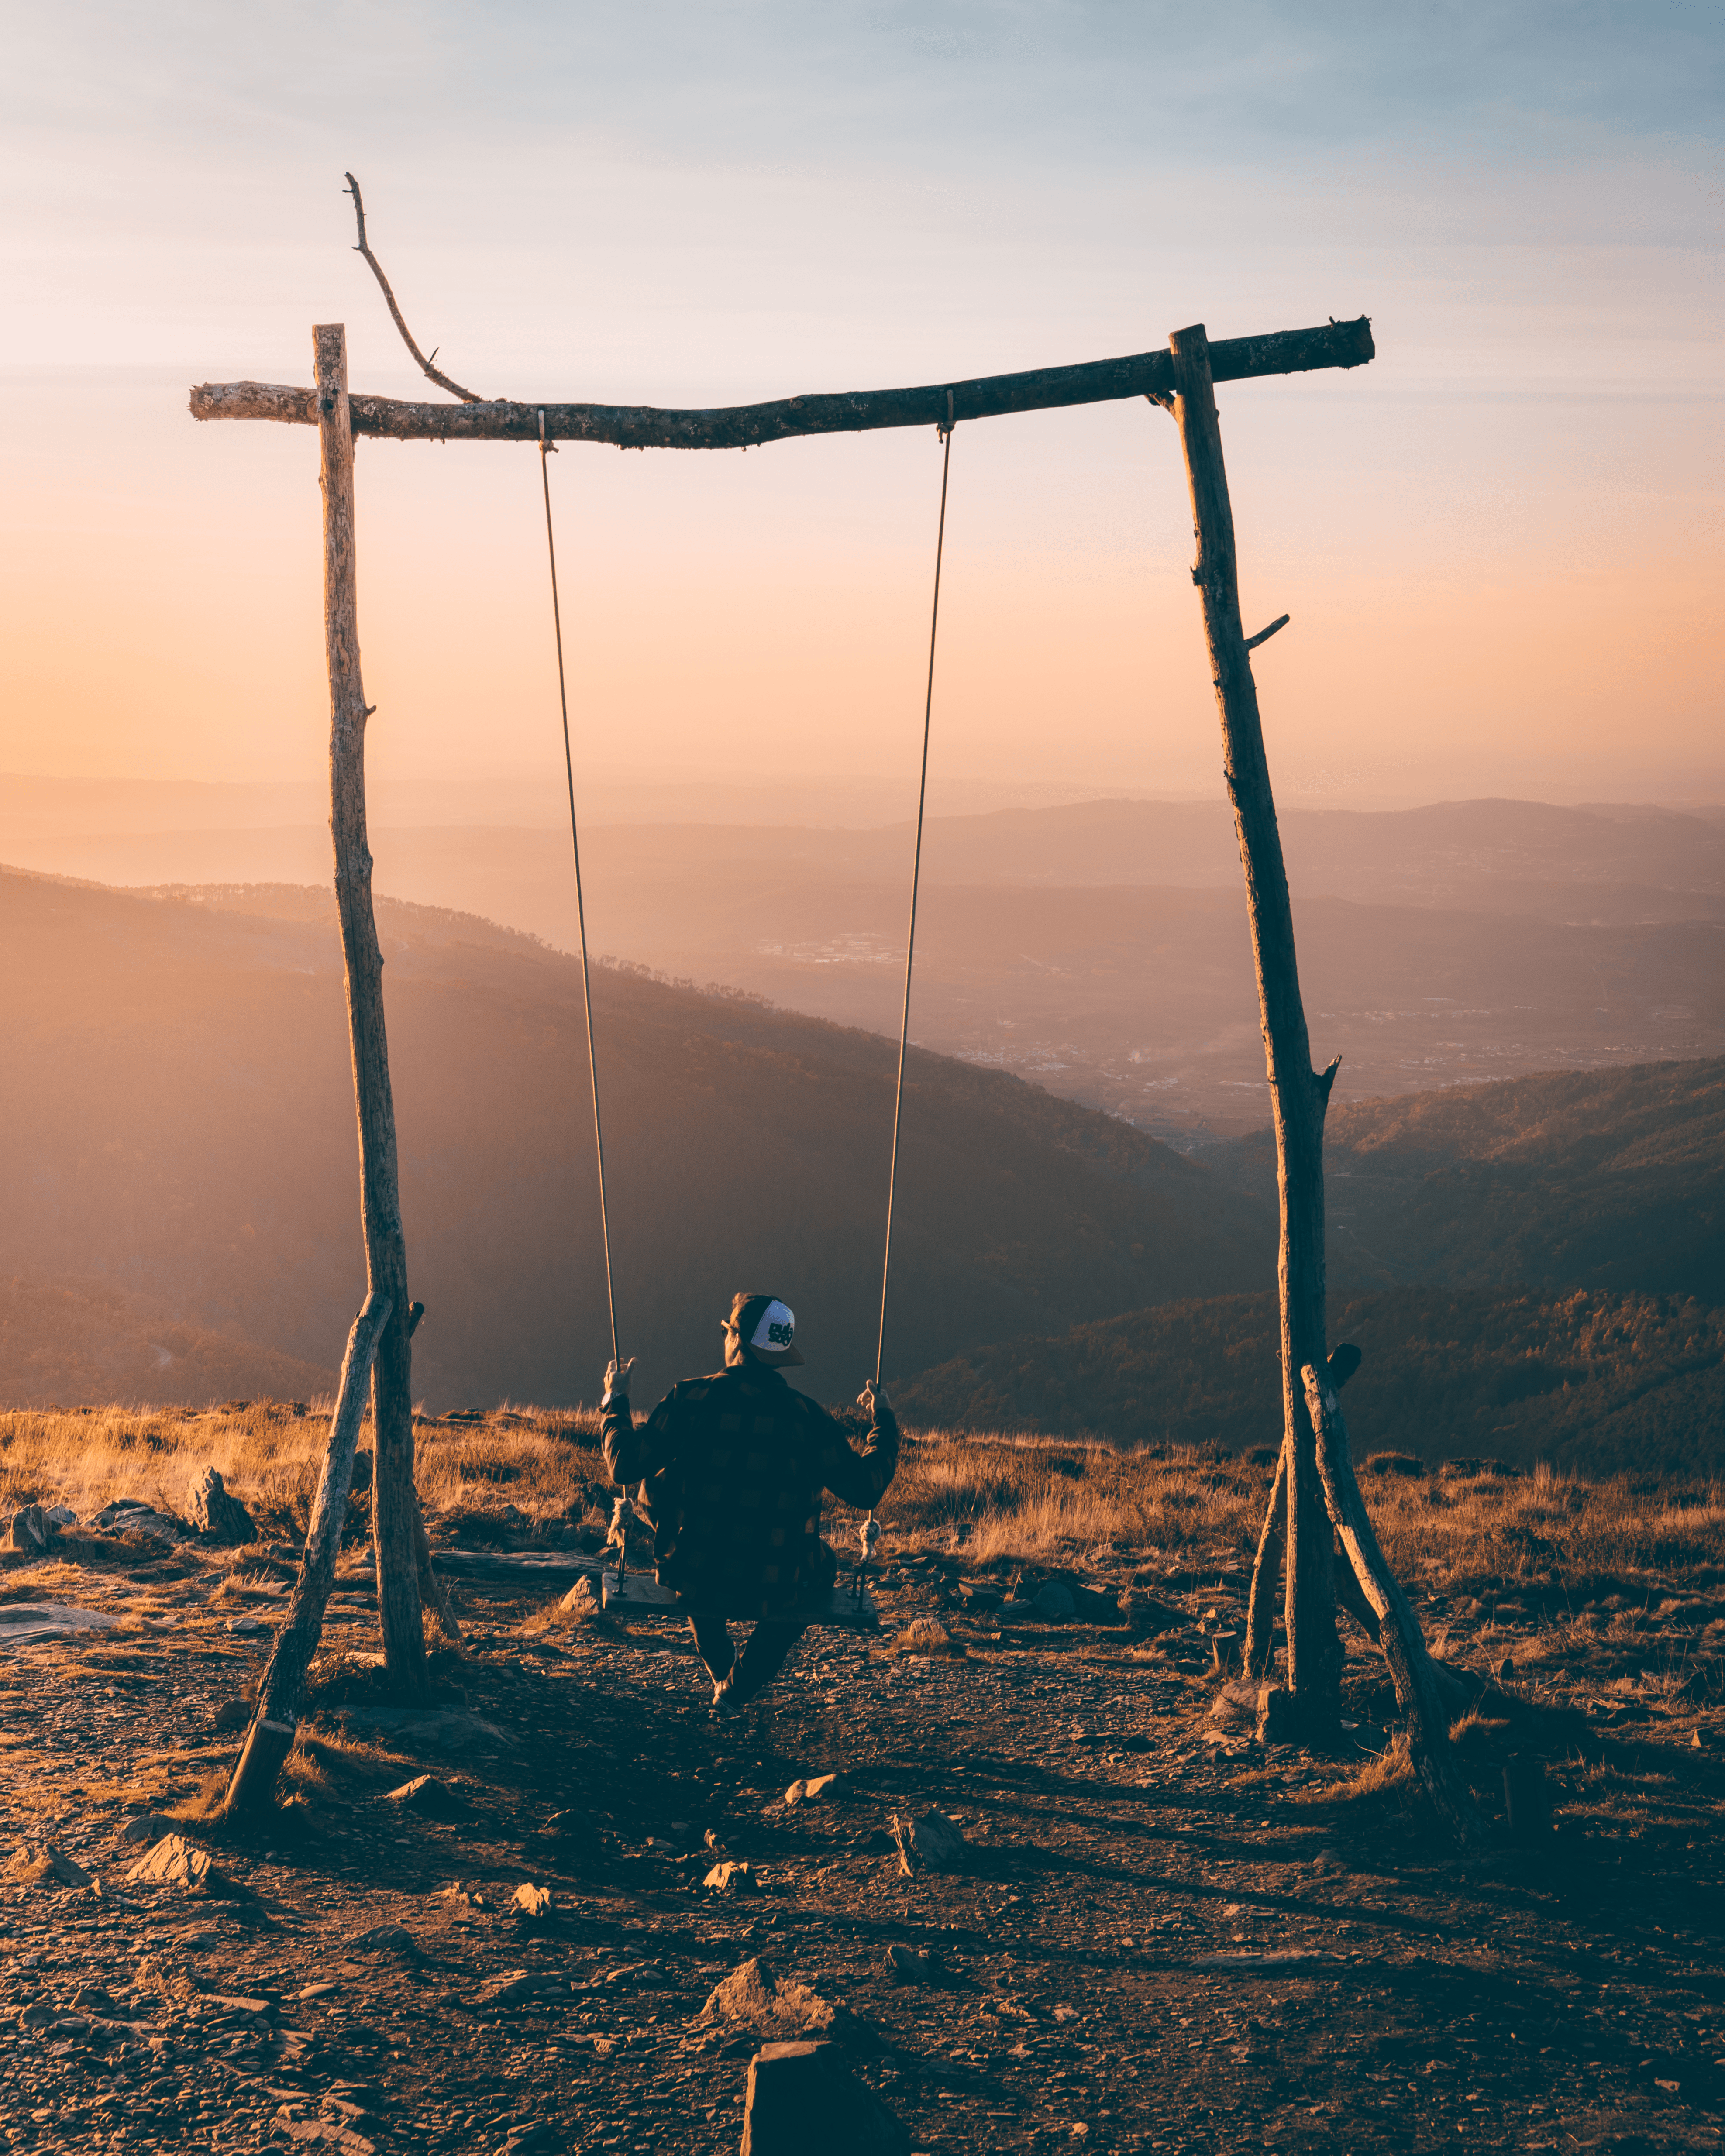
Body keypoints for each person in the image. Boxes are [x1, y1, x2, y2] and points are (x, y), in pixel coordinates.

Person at [600, 1291, 899, 1712]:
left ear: (736, 1340)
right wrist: (883, 1421)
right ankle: (738, 1688)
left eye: (727, 1331)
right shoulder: (807, 1417)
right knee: (824, 1564)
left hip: (696, 1567)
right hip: (777, 1579)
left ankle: (724, 1670)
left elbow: (625, 1466)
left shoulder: (689, 1399)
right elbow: (866, 1488)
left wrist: (616, 1401)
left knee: (688, 1535)